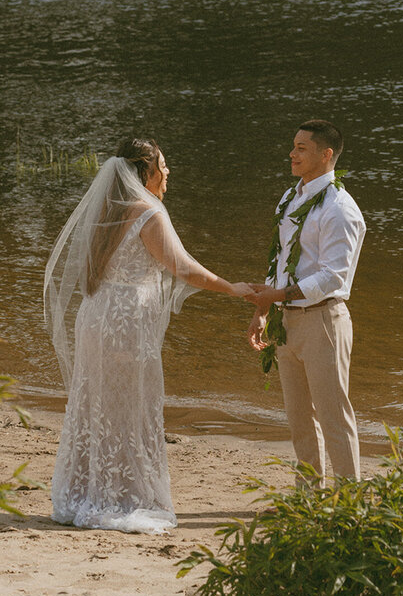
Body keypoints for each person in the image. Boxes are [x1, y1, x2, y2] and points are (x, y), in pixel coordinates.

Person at [44, 137, 254, 534]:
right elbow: (184, 269)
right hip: (126, 323)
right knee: (129, 407)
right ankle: (118, 497)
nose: (168, 171)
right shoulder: (149, 213)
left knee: (98, 404)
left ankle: (84, 492)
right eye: (163, 164)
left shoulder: (105, 212)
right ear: (146, 172)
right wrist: (233, 288)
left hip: (95, 317)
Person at [247, 119, 365, 483]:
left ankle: (349, 500)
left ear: (326, 154)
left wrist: (278, 295)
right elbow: (280, 259)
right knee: (299, 417)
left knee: (333, 416)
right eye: (293, 146)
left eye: (302, 148)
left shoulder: (339, 208)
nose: (292, 153)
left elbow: (333, 276)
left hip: (323, 321)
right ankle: (309, 496)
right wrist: (263, 309)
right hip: (287, 321)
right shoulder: (290, 197)